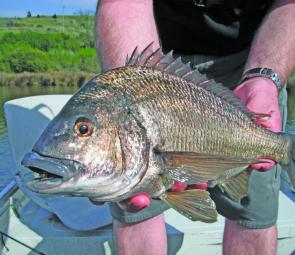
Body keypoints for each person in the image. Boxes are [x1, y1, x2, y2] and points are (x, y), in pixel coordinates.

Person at [95, 0, 295, 254]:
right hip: (152, 55)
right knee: (136, 208)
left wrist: (264, 78)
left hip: (253, 55)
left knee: (253, 212)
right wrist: (130, 87)